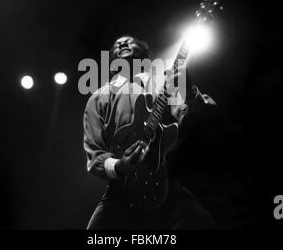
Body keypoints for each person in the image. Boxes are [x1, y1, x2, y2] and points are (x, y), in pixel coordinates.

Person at [83, 35, 215, 229]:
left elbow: (197, 119)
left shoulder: (164, 79)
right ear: (111, 58)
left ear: (144, 51)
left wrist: (191, 93)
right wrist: (121, 164)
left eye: (129, 40)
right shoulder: (98, 98)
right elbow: (95, 154)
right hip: (121, 191)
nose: (122, 43)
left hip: (166, 182)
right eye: (117, 43)